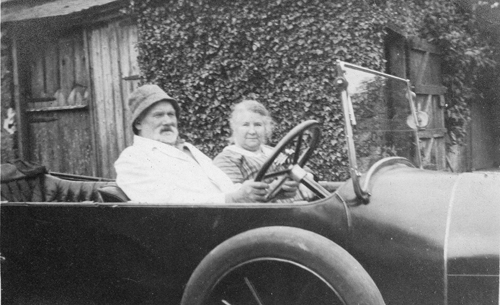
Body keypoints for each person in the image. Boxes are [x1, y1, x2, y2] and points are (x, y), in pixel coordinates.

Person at [114, 84, 297, 204]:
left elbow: (225, 188)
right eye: (158, 115)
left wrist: (267, 192)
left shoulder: (188, 150)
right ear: (138, 123)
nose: (168, 121)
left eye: (171, 114)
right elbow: (164, 203)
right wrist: (233, 198)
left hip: (226, 221)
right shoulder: (133, 158)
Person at [213, 100, 314, 201]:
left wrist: (306, 177)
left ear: (266, 128)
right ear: (235, 128)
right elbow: (237, 200)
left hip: (301, 206)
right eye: (245, 125)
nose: (252, 131)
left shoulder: (272, 151)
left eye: (257, 125)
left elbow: (301, 167)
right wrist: (276, 187)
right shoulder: (227, 159)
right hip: (269, 213)